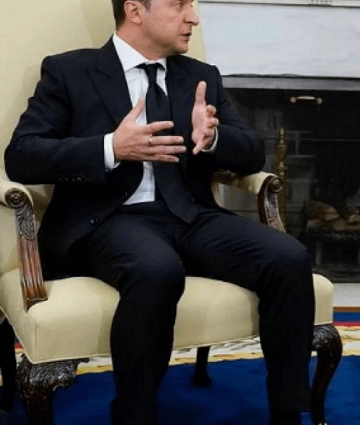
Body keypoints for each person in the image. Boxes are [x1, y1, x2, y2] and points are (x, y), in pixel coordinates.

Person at [5, 1, 315, 424]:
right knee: (156, 269)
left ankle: (288, 413)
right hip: (109, 219)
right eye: (178, 4)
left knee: (289, 257)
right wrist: (110, 148)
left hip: (190, 216)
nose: (193, 17)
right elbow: (22, 155)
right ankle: (134, 415)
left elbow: (252, 153)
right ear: (135, 10)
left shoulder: (201, 77)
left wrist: (213, 138)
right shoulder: (70, 71)